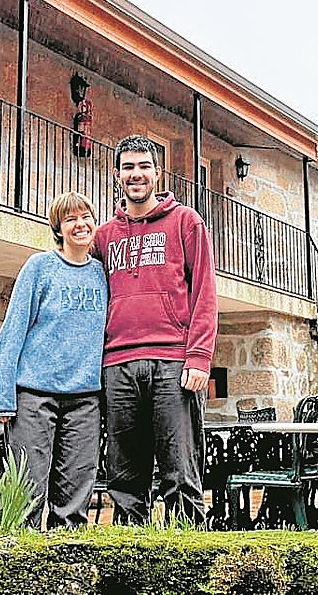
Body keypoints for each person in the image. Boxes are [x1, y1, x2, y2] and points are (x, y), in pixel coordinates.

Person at [94, 134, 218, 525]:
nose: (136, 174)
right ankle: (133, 567)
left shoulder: (186, 222)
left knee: (180, 473)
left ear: (157, 172)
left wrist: (199, 356)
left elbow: (204, 293)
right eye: (128, 167)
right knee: (125, 478)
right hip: (118, 365)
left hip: (173, 364)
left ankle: (190, 565)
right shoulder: (104, 236)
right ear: (116, 175)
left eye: (144, 166)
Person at [0, 191, 108, 529]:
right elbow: (13, 332)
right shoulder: (39, 268)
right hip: (34, 396)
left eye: (85, 217)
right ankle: (21, 566)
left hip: (85, 399)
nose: (80, 225)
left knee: (74, 495)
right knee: (26, 490)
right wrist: (2, 398)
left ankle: (66, 565)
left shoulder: (101, 275)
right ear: (58, 228)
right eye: (70, 219)